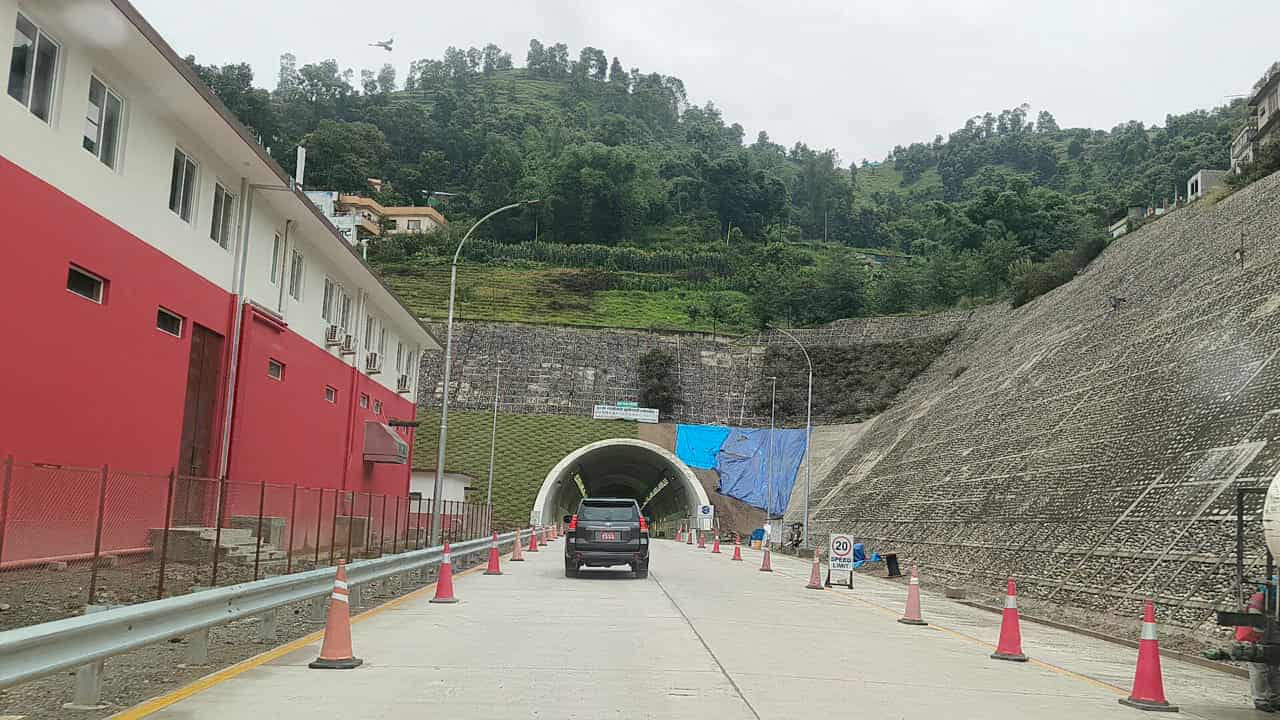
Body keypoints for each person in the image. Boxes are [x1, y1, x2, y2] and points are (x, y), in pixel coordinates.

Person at [1235, 590, 1280, 712]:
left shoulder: (1273, 599)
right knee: (1260, 668)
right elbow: (1256, 625)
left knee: (1274, 669)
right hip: (1253, 637)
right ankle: (1260, 700)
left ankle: (1275, 699)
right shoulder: (1259, 599)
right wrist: (1260, 642)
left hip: (1271, 637)